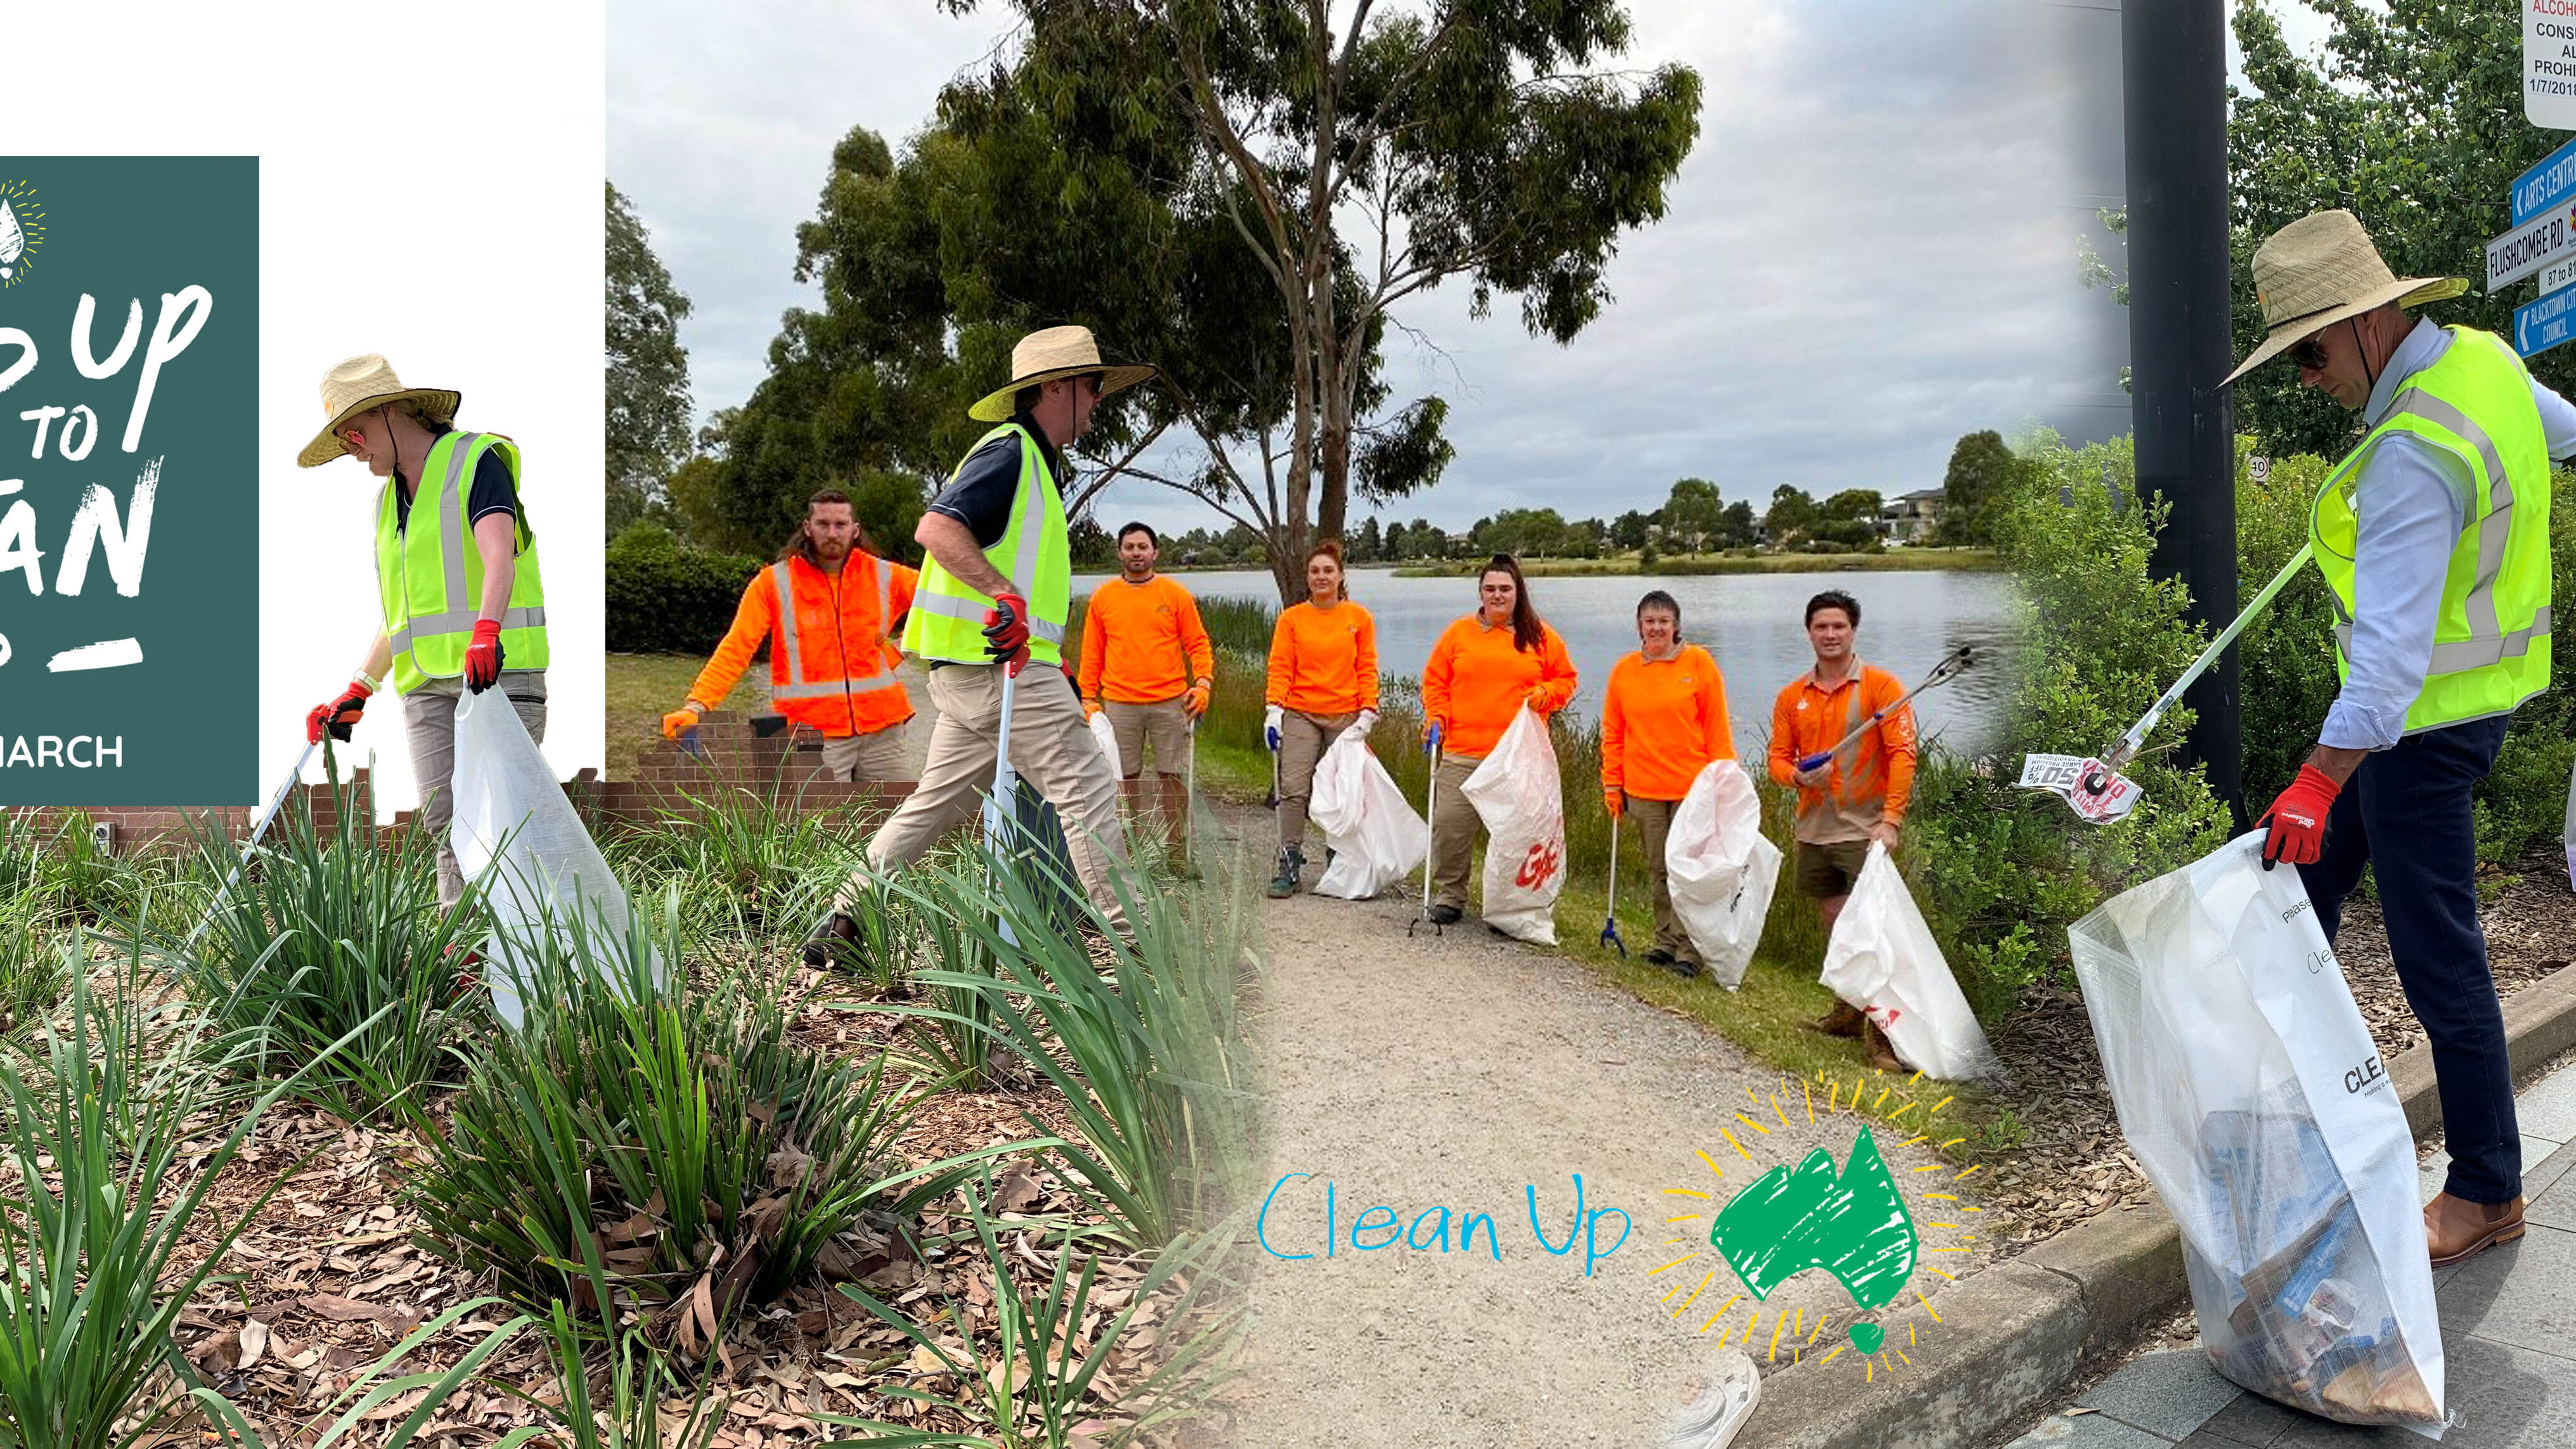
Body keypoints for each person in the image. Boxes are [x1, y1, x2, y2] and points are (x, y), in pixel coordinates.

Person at [2227, 210, 2568, 1269]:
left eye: (2310, 352)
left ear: (2370, 321)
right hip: (2449, 715)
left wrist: (2312, 781)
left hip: (2414, 736)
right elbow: (2561, 432)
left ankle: (2484, 1190)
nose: (2304, 378)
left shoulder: (2408, 458)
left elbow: (2380, 672)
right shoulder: (2485, 363)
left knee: (2436, 959)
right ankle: (2281, 1122)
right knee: (2299, 898)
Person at [820, 325, 1154, 962]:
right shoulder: (1010, 452)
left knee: (932, 805)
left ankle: (844, 915)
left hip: (975, 674)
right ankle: (1140, 946)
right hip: (1001, 669)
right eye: (1093, 385)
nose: (1100, 398)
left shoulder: (1031, 460)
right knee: (1085, 788)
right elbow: (936, 527)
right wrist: (1003, 593)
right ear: (1057, 386)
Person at [296, 354, 548, 908]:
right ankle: (464, 960)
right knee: (446, 826)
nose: (353, 448)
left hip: (497, 673)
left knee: (508, 826)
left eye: (354, 433)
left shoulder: (477, 461)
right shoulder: (387, 505)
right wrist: (359, 688)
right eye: (345, 442)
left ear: (389, 411)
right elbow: (403, 616)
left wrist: (487, 632)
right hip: (425, 688)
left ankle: (534, 968)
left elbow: (498, 555)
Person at [660, 489, 917, 780]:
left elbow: (940, 605)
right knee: (823, 825)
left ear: (855, 530)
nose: (832, 533)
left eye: (841, 525)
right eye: (823, 524)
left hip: (883, 730)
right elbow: (737, 646)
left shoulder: (884, 576)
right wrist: (697, 705)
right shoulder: (774, 583)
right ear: (807, 528)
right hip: (810, 734)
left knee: (894, 822)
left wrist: (903, 647)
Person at [1768, 589, 1913, 1072]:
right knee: (1835, 924)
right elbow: (1776, 759)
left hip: (1865, 831)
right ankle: (1847, 1013)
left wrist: (1890, 821)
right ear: (1809, 632)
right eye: (1821, 627)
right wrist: (1794, 777)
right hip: (1814, 830)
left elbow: (1903, 756)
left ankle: (1883, 1035)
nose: (1830, 635)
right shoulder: (1793, 696)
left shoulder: (1881, 688)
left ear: (1853, 630)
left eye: (1839, 627)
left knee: (1872, 933)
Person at [1419, 555, 1578, 926]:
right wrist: (1437, 715)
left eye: (1505, 589)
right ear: (1480, 593)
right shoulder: (1458, 633)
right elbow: (1435, 682)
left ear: (1518, 592)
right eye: (1490, 589)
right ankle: (1450, 895)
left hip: (1517, 757)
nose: (1497, 595)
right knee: (1449, 826)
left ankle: (1510, 906)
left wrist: (1545, 694)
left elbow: (1566, 680)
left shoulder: (1539, 635)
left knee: (1515, 835)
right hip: (1462, 750)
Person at [1600, 590, 1735, 978]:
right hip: (1643, 788)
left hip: (1692, 789)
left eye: (1664, 621)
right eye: (1649, 621)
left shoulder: (1699, 663)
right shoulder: (1625, 670)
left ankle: (1690, 952)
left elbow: (1717, 727)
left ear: (1676, 626)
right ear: (1639, 627)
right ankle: (1665, 941)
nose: (1657, 627)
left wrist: (1723, 782)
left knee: (1689, 872)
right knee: (1659, 869)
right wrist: (1613, 784)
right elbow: (1613, 732)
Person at [1263, 539, 1380, 897]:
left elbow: (1367, 667)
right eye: (1315, 571)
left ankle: (1340, 860)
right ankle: (1289, 859)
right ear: (1307, 577)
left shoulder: (1358, 618)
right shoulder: (1292, 619)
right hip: (1301, 712)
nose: (1321, 577)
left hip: (1345, 714)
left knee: (1343, 792)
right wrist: (1274, 709)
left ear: (1341, 576)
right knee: (1294, 788)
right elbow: (1281, 665)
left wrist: (1368, 710)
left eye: (1328, 570)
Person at [1077, 522, 1214, 785]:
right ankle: (1130, 828)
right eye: (1129, 547)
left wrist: (1203, 684)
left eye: (1143, 547)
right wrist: (1086, 698)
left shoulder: (1176, 595)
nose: (1136, 553)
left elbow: (1198, 643)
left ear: (1155, 553)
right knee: (1123, 778)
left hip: (1171, 701)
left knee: (1173, 778)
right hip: (1120, 703)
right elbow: (1092, 653)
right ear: (1119, 553)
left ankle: (1175, 829)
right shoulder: (1102, 598)